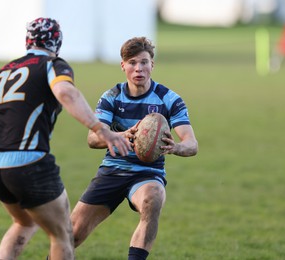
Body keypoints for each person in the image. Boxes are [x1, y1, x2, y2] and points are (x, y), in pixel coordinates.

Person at [0, 17, 131, 260]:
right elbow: (65, 92)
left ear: (28, 40)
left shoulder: (2, 73)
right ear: (57, 41)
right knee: (62, 234)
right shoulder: (52, 64)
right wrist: (102, 130)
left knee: (23, 223)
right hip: (29, 164)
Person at [70, 37, 198, 260]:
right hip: (112, 170)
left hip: (148, 173)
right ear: (123, 66)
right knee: (71, 236)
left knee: (154, 196)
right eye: (132, 62)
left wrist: (176, 147)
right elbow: (92, 139)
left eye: (144, 62)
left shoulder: (169, 99)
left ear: (152, 65)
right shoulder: (111, 97)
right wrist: (120, 136)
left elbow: (191, 143)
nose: (138, 68)